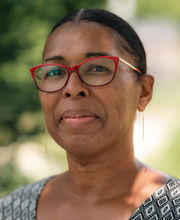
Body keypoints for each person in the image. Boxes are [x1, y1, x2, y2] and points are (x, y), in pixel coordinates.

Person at [0, 8, 180, 220]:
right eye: (55, 72)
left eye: (97, 68)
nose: (72, 87)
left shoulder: (173, 209)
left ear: (143, 91)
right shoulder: (11, 210)